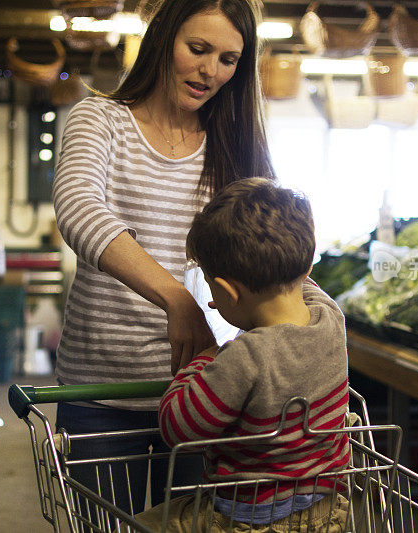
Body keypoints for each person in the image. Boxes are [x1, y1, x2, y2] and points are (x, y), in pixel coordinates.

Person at [51, 0, 275, 515]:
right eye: (197, 49)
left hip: (207, 398)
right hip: (103, 399)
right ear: (164, 39)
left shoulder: (233, 147)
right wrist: (177, 298)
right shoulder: (101, 120)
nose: (210, 71)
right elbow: (79, 208)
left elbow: (269, 251)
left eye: (227, 59)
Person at [136, 178, 351, 532]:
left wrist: (203, 358)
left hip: (249, 519)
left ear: (225, 292)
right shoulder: (330, 317)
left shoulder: (243, 358)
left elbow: (177, 426)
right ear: (307, 266)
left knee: (137, 524)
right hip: (327, 508)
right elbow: (305, 286)